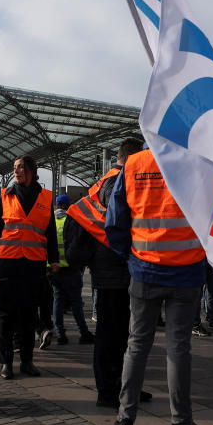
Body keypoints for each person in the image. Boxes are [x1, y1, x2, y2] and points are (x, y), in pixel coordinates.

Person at [105, 147, 213, 425]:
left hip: (145, 271)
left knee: (137, 345)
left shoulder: (133, 164)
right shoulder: (198, 162)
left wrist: (131, 257)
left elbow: (114, 223)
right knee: (178, 348)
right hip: (187, 272)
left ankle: (125, 421)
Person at [64, 137, 150, 408]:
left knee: (118, 332)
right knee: (111, 334)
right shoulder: (117, 181)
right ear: (135, 158)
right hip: (114, 269)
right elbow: (121, 222)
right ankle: (109, 390)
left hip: (112, 268)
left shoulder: (107, 179)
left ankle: (124, 386)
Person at [0, 155, 58, 379]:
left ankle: (27, 361)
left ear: (32, 169)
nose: (17, 171)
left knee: (29, 315)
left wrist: (54, 259)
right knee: (5, 315)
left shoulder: (46, 197)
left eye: (20, 167)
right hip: (7, 263)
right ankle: (6, 362)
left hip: (34, 263)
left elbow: (49, 231)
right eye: (14, 168)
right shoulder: (5, 195)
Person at [50, 193, 94, 345]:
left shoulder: (51, 220)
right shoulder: (72, 219)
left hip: (53, 268)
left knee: (58, 300)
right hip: (70, 268)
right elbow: (76, 245)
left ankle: (60, 333)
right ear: (68, 206)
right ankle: (83, 332)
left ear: (57, 205)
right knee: (76, 301)